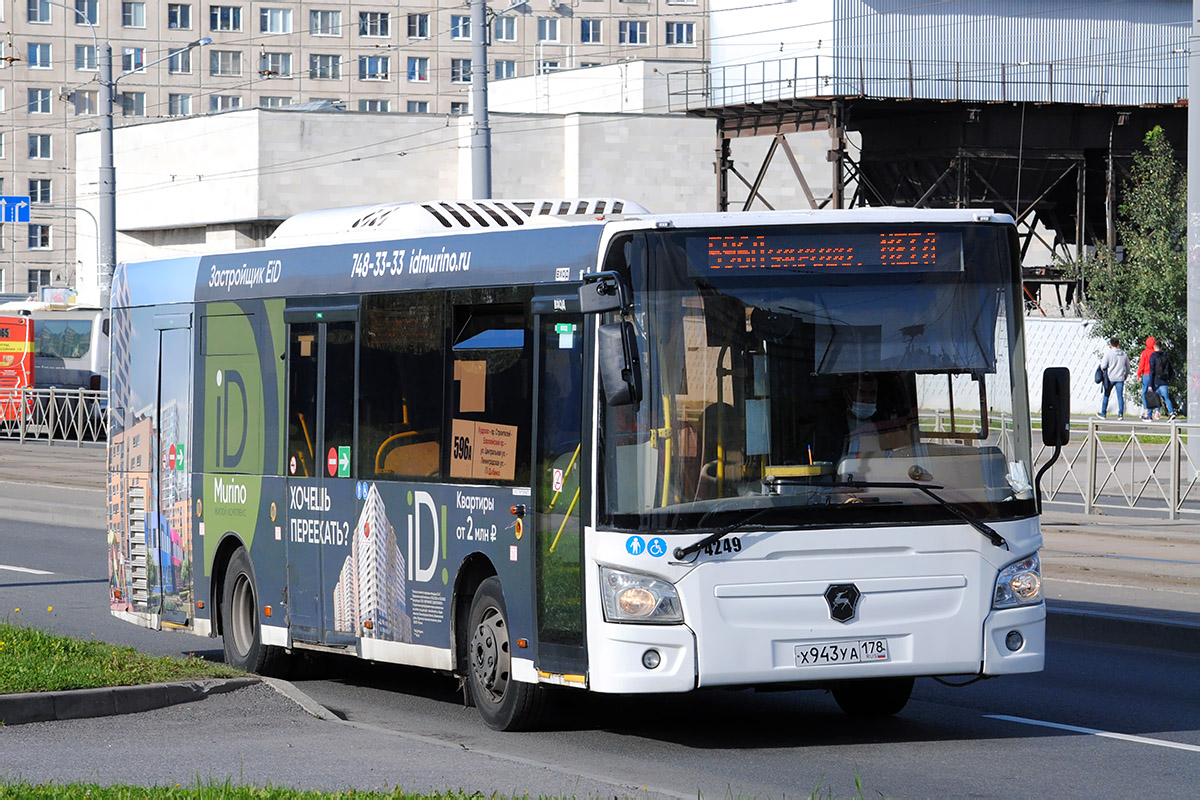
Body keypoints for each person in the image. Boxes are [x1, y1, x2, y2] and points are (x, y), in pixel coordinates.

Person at [1097, 337, 1130, 419]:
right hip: (1120, 378)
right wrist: (1126, 374)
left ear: (1110, 344)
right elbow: (1128, 366)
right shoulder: (1123, 354)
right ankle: (1120, 414)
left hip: (1110, 378)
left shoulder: (1108, 354)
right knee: (1120, 396)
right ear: (1118, 344)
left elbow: (1103, 366)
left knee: (1106, 395)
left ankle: (1103, 413)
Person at [1149, 340, 1177, 420]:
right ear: (1161, 347)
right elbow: (1170, 369)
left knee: (1155, 397)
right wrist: (1168, 378)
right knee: (1166, 398)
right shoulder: (1165, 356)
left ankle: (1155, 413)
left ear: (1154, 347)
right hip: (1164, 380)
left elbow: (1152, 371)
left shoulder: (1153, 356)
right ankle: (1171, 413)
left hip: (1156, 381)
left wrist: (1150, 384)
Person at [1136, 336, 1156, 420]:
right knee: (1151, 394)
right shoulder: (1155, 353)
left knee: (1144, 394)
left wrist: (1138, 374)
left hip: (1146, 375)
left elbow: (1141, 364)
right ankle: (1150, 414)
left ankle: (1146, 412)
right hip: (1154, 375)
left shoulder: (1144, 353)